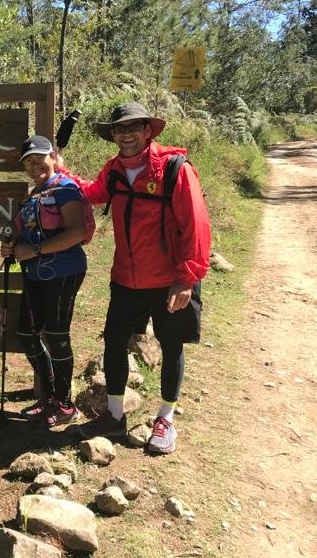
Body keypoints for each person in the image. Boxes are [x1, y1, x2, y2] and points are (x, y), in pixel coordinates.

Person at [68, 101, 211, 454]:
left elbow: (196, 226)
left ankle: (166, 418)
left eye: (134, 127)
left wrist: (186, 279)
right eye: (120, 128)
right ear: (113, 135)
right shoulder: (115, 170)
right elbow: (92, 192)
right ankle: (115, 416)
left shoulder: (175, 170)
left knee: (171, 345)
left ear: (148, 131)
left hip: (168, 280)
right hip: (126, 279)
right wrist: (60, 170)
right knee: (114, 341)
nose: (127, 134)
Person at [1, 135, 88, 428]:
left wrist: (35, 250)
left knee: (56, 334)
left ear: (53, 157)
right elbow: (24, 232)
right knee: (26, 334)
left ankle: (64, 404)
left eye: (39, 158)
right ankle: (49, 395)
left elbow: (77, 232)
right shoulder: (31, 195)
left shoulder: (66, 189)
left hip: (63, 272)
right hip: (35, 274)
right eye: (28, 161)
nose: (34, 164)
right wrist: (12, 245)